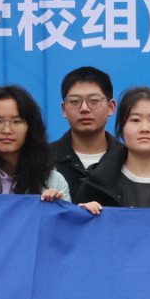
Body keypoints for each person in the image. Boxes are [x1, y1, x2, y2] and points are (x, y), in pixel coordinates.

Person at [51, 66, 119, 203]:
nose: (84, 108)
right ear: (64, 109)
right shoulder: (43, 159)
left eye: (94, 100)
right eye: (75, 101)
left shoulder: (127, 160)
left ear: (111, 107)